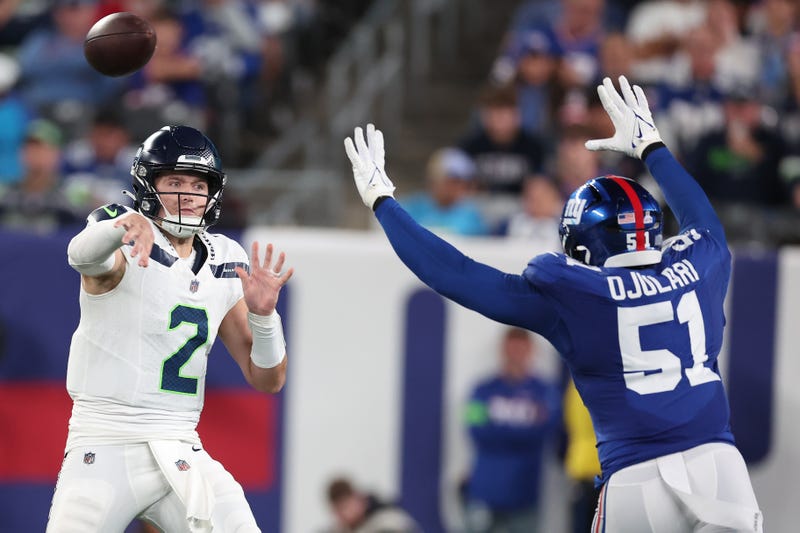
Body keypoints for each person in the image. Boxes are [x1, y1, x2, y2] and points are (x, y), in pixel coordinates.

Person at [345, 75, 764, 531]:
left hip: (636, 478)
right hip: (719, 466)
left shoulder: (575, 297)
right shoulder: (700, 264)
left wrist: (384, 204)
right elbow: (702, 219)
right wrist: (653, 148)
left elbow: (456, 274)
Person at [46, 125, 293, 532]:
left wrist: (264, 318)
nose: (189, 195)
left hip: (180, 445)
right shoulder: (123, 232)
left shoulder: (225, 257)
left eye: (198, 185)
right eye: (175, 182)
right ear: (149, 185)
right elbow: (81, 256)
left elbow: (268, 380)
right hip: (104, 442)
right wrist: (121, 227)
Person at [460, 327, 561, 533]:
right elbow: (475, 430)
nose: (515, 355)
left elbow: (546, 431)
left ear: (530, 351)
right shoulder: (481, 389)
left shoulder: (545, 391)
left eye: (520, 349)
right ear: (503, 350)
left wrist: (497, 427)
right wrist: (525, 427)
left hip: (525, 493)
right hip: (485, 491)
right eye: (511, 349)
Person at [325, 476, 420, 533]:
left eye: (345, 507)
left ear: (358, 499)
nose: (343, 514)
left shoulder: (389, 520)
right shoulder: (341, 529)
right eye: (337, 510)